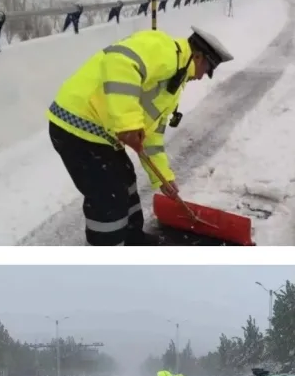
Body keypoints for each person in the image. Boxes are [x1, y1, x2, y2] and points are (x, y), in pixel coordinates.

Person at [47, 26, 233, 245]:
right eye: (206, 69)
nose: (202, 77)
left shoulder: (174, 82)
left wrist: (163, 177)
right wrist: (128, 123)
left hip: (101, 134)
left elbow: (151, 137)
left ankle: (133, 240)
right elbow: (119, 61)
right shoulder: (166, 50)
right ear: (198, 55)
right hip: (77, 125)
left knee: (126, 181)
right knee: (109, 198)